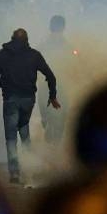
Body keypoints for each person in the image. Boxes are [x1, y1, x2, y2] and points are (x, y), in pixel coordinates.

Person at [0, 28, 59, 183]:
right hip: (28, 100)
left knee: (11, 137)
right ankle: (29, 166)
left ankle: (15, 173)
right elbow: (51, 76)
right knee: (23, 128)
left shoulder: (3, 54)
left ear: (12, 38)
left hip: (10, 99)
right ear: (27, 40)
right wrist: (52, 96)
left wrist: (5, 85)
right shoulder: (34, 55)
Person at [36, 15, 78, 144]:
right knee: (51, 113)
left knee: (60, 113)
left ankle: (54, 139)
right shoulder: (48, 46)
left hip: (58, 84)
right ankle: (49, 129)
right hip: (50, 84)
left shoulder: (67, 46)